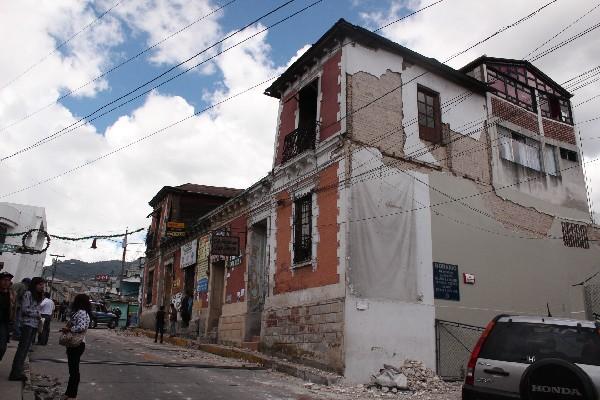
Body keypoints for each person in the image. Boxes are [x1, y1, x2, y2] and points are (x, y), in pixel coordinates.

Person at [9, 277, 44, 381]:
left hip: (34, 325)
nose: (42, 287)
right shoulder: (28, 294)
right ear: (35, 285)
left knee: (26, 350)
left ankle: (19, 371)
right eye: (40, 284)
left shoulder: (38, 296)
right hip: (27, 325)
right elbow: (25, 310)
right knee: (22, 349)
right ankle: (15, 372)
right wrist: (37, 314)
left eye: (43, 285)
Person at [61, 294, 91, 399]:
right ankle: (69, 393)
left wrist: (69, 329)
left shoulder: (82, 312)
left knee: (74, 370)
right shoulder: (79, 312)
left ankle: (71, 394)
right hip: (75, 344)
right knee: (72, 369)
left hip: (77, 344)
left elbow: (81, 327)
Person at [0, 271, 16, 361]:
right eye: (4, 280)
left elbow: (14, 310)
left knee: (2, 347)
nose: (6, 282)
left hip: (4, 323)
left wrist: (13, 323)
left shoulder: (12, 294)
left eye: (8, 280)